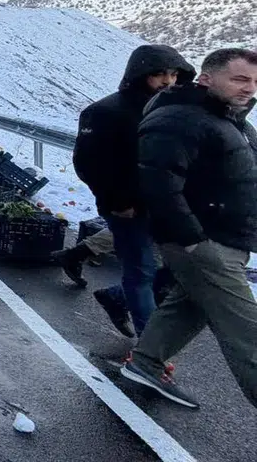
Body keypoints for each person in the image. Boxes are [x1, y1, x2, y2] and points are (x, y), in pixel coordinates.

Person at [119, 48, 257, 410]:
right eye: (240, 79)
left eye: (255, 82)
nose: (249, 89)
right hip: (204, 241)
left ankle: (146, 361)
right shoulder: (181, 118)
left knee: (188, 307)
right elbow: (159, 185)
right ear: (207, 78)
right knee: (248, 334)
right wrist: (194, 242)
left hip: (227, 237)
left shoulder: (232, 121)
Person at [63, 45, 194, 337]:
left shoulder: (177, 112)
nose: (168, 81)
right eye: (159, 74)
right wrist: (118, 201)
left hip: (171, 206)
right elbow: (88, 162)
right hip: (129, 208)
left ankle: (117, 297)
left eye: (174, 74)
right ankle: (148, 351)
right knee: (141, 270)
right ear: (139, 74)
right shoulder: (106, 111)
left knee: (187, 268)